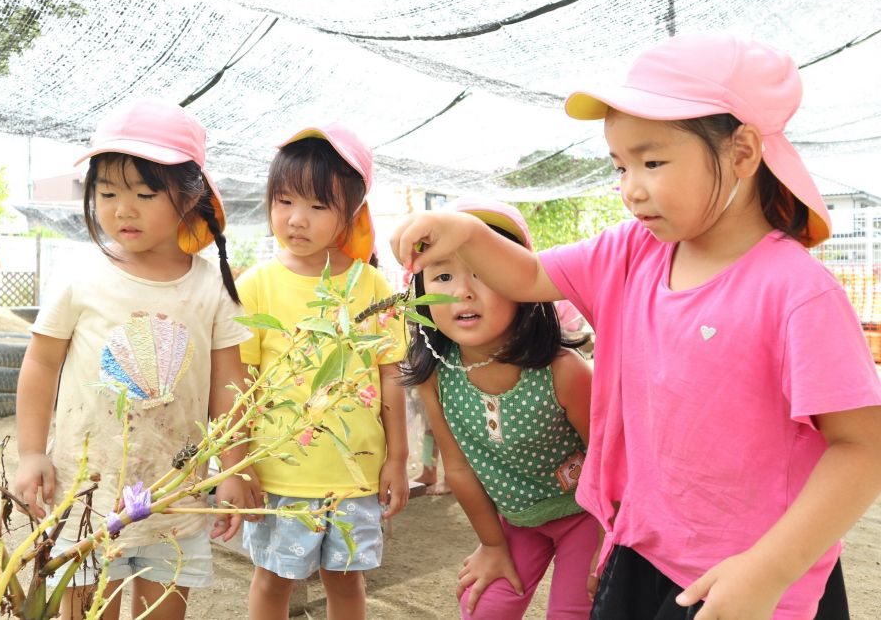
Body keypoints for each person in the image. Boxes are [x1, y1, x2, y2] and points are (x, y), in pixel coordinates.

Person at [390, 34, 881, 620]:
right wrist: (466, 233)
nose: (631, 188)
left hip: (748, 578)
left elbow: (863, 447)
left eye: (652, 162)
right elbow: (530, 274)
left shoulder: (795, 291)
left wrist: (770, 568)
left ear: (744, 152)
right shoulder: (633, 252)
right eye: (621, 165)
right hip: (642, 545)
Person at [14, 98, 251, 620]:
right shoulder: (80, 273)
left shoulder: (211, 286)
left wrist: (234, 469)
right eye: (107, 192)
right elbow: (41, 365)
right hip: (84, 494)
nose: (124, 208)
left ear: (190, 197)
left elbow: (230, 384)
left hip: (174, 499)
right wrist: (31, 452)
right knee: (80, 611)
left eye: (146, 193)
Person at [236, 123, 409, 620]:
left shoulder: (372, 285)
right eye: (285, 201)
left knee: (348, 583)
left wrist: (396, 458)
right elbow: (242, 385)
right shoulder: (257, 287)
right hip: (280, 474)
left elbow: (390, 375)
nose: (296, 219)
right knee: (271, 582)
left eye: (317, 206)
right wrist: (242, 462)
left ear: (349, 214)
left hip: (355, 474)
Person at [401, 196, 596, 619]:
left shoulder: (564, 371)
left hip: (587, 516)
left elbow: (611, 458)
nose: (463, 291)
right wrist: (492, 545)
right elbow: (458, 468)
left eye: (483, 272)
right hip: (518, 522)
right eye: (443, 275)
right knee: (481, 607)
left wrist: (613, 541)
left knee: (573, 613)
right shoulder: (438, 374)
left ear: (523, 282)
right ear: (418, 294)